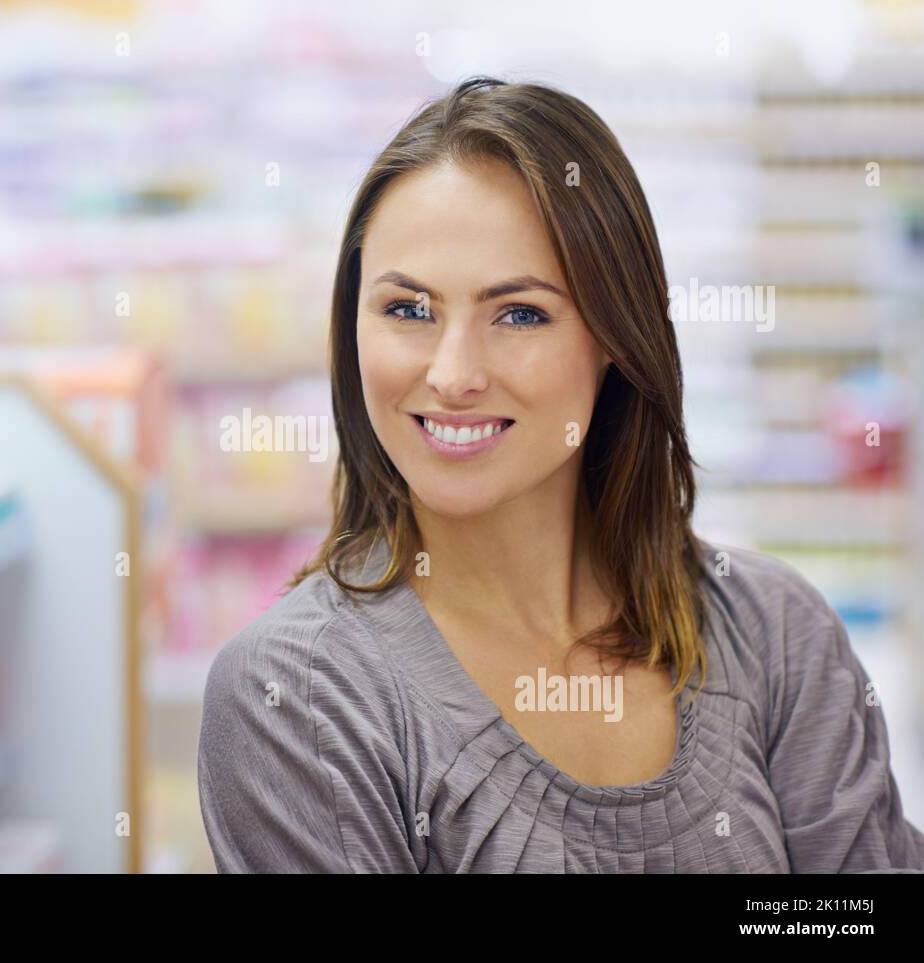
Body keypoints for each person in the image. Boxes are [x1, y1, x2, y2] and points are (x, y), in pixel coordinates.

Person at [196, 76, 924, 873]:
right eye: (408, 309)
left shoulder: (777, 636)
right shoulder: (298, 699)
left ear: (616, 332)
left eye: (519, 313)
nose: (453, 373)